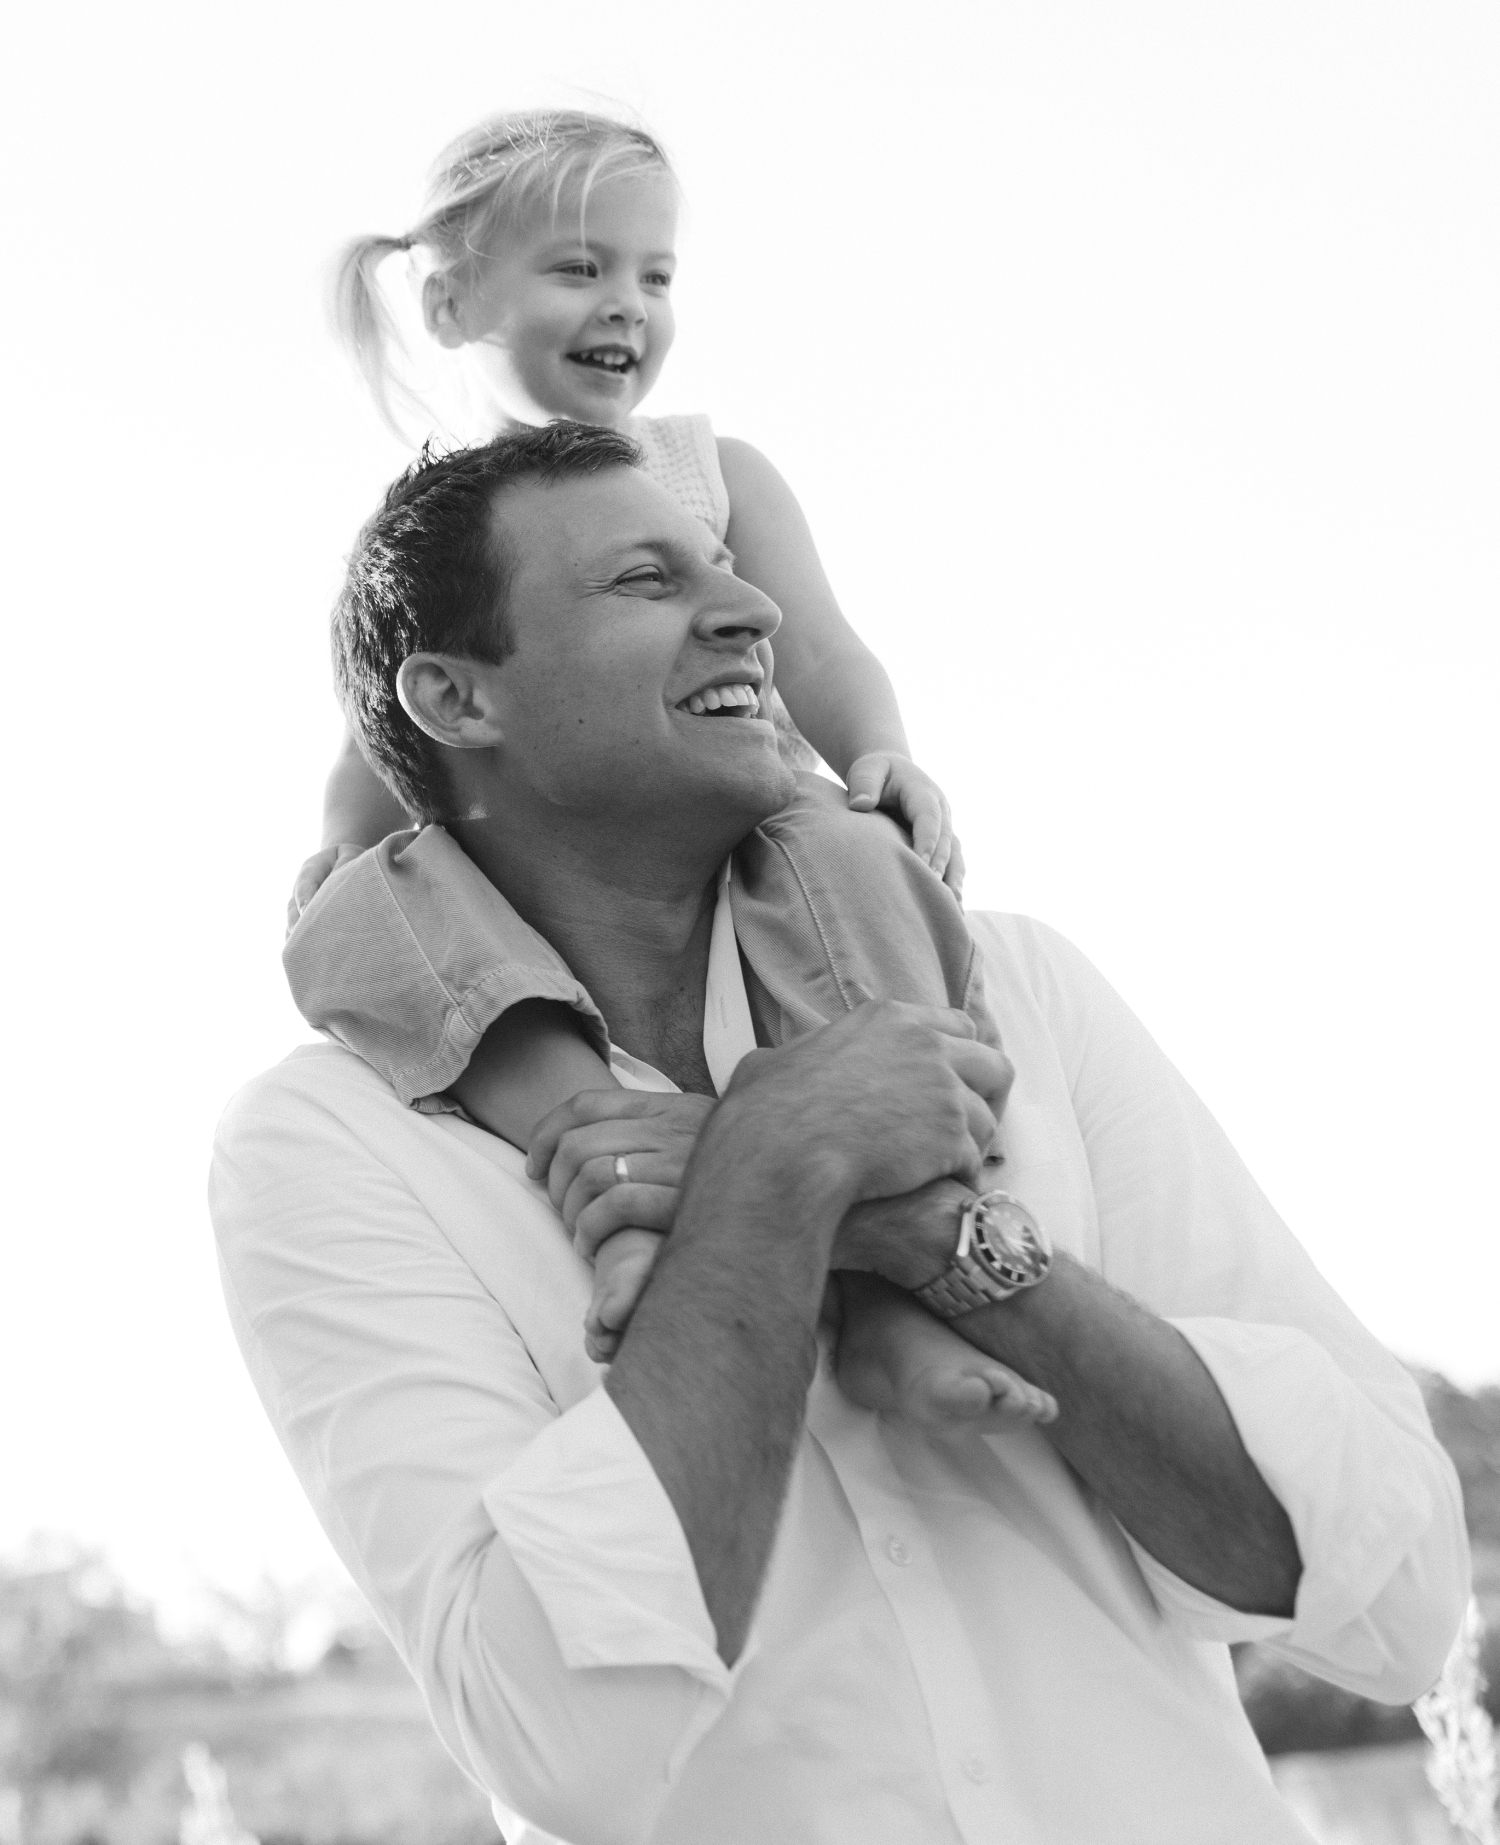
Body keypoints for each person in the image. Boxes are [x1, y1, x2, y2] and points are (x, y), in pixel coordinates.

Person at [212, 421, 1469, 1845]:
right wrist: (776, 1169)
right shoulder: (328, 1146)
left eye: (729, 568)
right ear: (456, 695)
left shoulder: (1011, 991)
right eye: (644, 579)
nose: (747, 610)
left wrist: (934, 1237)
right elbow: (565, 1742)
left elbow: (1400, 1604)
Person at [285, 105, 1041, 1424]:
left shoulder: (708, 470)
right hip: (554, 871)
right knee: (367, 917)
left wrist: (879, 753)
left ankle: (892, 1291)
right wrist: (342, 870)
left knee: (847, 852)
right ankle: (617, 1169)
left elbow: (821, 650)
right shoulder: (441, 523)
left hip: (745, 828)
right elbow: (389, 737)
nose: (625, 304)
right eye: (579, 268)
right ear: (453, 297)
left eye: (656, 273)